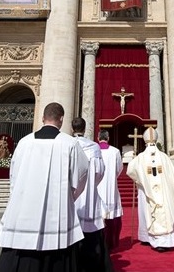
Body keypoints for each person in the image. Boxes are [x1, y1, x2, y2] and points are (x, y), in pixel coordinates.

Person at [0, 102, 89, 272]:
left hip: (22, 211)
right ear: (61, 119)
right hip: (56, 214)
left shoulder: (23, 142)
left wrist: (18, 196)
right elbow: (81, 177)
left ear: (43, 118)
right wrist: (69, 197)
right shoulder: (70, 144)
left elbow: (13, 176)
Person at [126, 127, 174, 252]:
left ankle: (148, 238)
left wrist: (140, 180)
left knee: (147, 211)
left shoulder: (140, 158)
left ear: (145, 140)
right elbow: (172, 176)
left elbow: (130, 170)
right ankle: (168, 240)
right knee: (165, 211)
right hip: (163, 192)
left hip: (147, 192)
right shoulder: (164, 157)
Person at [71, 117, 113, 272]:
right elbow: (100, 172)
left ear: (71, 128)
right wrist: (91, 184)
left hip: (71, 196)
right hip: (89, 196)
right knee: (91, 234)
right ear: (85, 128)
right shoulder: (94, 148)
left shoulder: (67, 144)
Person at [96, 130, 124, 251]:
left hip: (96, 187)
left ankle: (98, 242)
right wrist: (112, 178)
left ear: (98, 138)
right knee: (112, 217)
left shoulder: (93, 150)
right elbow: (119, 169)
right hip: (111, 188)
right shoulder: (115, 151)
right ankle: (111, 242)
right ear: (108, 138)